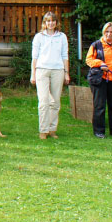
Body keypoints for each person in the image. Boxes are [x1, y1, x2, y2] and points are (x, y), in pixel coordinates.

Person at [85, 22, 112, 139]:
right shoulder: (96, 45)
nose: (109, 34)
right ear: (103, 32)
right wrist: (100, 63)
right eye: (107, 32)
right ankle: (99, 131)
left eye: (111, 32)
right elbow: (89, 60)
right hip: (100, 78)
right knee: (99, 106)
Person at [30, 12, 70, 140]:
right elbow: (34, 57)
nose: (50, 23)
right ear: (44, 23)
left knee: (55, 102)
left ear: (56, 22)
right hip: (42, 70)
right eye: (48, 21)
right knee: (43, 102)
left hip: (58, 70)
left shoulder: (62, 37)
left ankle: (52, 129)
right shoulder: (39, 37)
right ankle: (43, 130)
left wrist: (66, 73)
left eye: (53, 21)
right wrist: (33, 74)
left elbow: (65, 55)